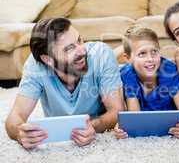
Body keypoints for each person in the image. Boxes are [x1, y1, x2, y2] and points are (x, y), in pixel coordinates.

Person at [5, 18, 124, 149]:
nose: (82, 51)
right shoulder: (35, 66)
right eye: (69, 49)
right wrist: (19, 133)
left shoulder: (102, 55)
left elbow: (117, 111)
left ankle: (121, 53)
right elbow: (15, 116)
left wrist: (93, 126)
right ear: (48, 59)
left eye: (79, 40)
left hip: (102, 76)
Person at [113, 27, 179, 140]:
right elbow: (134, 117)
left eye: (154, 52)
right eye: (142, 54)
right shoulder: (128, 75)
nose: (150, 59)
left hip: (168, 111)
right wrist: (124, 128)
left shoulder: (169, 71)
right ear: (127, 58)